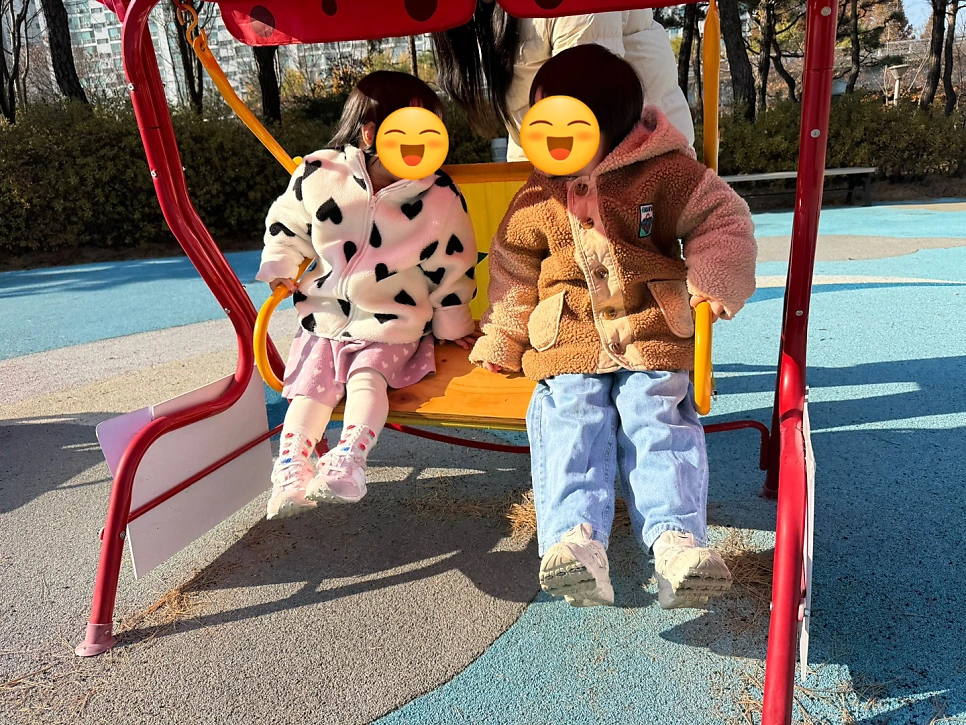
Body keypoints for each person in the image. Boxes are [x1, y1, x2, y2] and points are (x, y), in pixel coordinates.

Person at [470, 45, 757, 609]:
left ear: (611, 123)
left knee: (656, 415)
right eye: (541, 121)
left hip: (651, 328)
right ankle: (575, 541)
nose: (550, 138)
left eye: (566, 121)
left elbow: (721, 218)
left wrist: (712, 279)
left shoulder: (664, 173)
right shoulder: (537, 194)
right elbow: (513, 269)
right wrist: (504, 335)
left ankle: (675, 544)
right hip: (568, 334)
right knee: (571, 416)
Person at [257, 71, 478, 520]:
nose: (421, 147)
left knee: (367, 378)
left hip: (392, 322)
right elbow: (287, 223)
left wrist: (453, 324)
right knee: (309, 389)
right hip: (324, 317)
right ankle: (291, 468)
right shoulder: (321, 174)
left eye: (431, 133)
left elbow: (453, 266)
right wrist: (280, 265)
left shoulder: (438, 197)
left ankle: (350, 458)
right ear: (371, 133)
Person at [432, 2, 694, 162]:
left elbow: (585, 122)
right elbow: (531, 126)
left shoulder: (571, 9)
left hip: (639, 168)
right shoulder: (481, 13)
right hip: (578, 162)